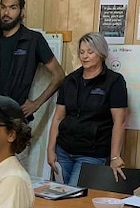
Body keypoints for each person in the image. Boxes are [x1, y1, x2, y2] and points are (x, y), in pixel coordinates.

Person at [47, 32, 128, 184]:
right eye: (82, 52)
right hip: (63, 150)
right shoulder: (70, 80)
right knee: (58, 195)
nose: (85, 56)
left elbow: (120, 122)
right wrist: (50, 149)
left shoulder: (114, 82)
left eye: (90, 52)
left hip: (92, 154)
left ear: (101, 54)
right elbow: (58, 117)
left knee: (75, 197)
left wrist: (115, 156)